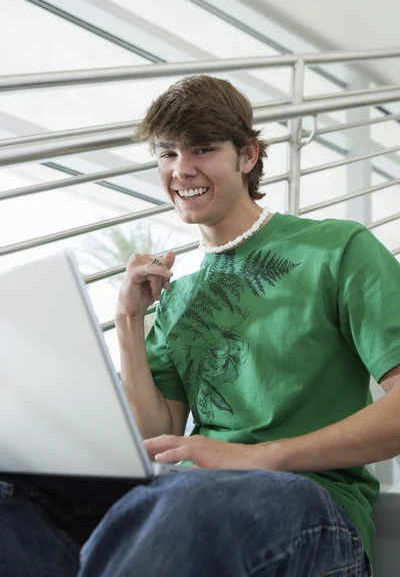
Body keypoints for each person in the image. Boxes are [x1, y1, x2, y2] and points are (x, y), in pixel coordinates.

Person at [1, 75, 400, 577]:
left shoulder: (338, 248)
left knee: (186, 500)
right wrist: (128, 319)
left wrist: (260, 457)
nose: (180, 169)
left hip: (312, 505)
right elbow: (157, 434)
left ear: (247, 156)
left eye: (202, 149)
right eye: (166, 154)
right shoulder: (178, 293)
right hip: (187, 494)